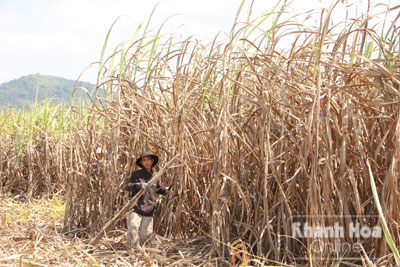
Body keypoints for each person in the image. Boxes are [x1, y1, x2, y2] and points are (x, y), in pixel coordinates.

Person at [124, 152, 170, 250]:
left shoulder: (155, 175)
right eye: (144, 160)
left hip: (149, 209)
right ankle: (130, 252)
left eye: (148, 159)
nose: (147, 162)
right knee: (132, 231)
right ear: (141, 162)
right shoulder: (136, 174)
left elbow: (158, 189)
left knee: (146, 236)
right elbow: (127, 186)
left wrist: (166, 190)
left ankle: (139, 251)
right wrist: (140, 185)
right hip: (136, 208)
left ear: (152, 161)